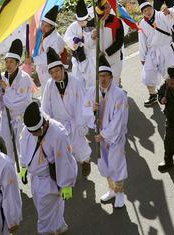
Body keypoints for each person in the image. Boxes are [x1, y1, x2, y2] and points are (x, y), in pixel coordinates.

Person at [19, 101, 79, 231]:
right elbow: (23, 144)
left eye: (35, 132)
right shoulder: (29, 129)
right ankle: (59, 227)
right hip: (35, 178)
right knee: (46, 209)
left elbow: (65, 160)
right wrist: (23, 166)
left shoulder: (58, 134)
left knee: (44, 217)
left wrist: (66, 184)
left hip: (49, 181)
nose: (32, 135)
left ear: (44, 125)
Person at [40, 48, 93, 176]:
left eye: (57, 70)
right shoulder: (49, 85)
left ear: (63, 69)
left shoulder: (75, 82)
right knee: (62, 151)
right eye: (52, 72)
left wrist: (82, 124)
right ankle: (67, 174)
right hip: (58, 124)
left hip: (74, 121)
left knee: (79, 146)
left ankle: (85, 161)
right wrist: (47, 124)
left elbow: (82, 104)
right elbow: (45, 107)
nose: (55, 75)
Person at [87, 54, 129, 209]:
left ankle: (120, 193)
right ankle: (112, 190)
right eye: (100, 76)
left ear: (111, 77)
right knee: (104, 164)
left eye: (105, 75)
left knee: (116, 164)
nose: (103, 79)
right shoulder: (92, 92)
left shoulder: (119, 94)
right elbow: (83, 111)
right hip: (100, 137)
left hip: (114, 137)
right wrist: (92, 111)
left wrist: (104, 134)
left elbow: (119, 119)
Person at [0, 39, 35, 159]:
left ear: (17, 63)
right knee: (6, 148)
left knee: (23, 147)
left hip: (21, 118)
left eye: (11, 62)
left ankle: (25, 168)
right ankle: (9, 169)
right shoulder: (1, 78)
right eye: (6, 61)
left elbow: (22, 102)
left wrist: (7, 90)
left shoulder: (25, 78)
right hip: (6, 117)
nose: (8, 65)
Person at [136, 0, 174, 107]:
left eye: (149, 9)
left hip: (166, 49)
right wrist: (142, 57)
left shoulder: (162, 15)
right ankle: (152, 95)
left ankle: (171, 95)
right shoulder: (142, 24)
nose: (148, 12)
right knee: (148, 74)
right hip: (153, 51)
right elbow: (142, 41)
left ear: (152, 7)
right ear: (142, 13)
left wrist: (170, 11)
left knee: (169, 74)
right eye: (144, 11)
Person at [63, 0, 95, 90]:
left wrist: (90, 37)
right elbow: (67, 38)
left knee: (91, 80)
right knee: (78, 81)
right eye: (79, 21)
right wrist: (74, 41)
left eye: (84, 21)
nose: (82, 23)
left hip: (90, 57)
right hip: (78, 58)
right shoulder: (73, 26)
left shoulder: (91, 23)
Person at [33, 6, 67, 89]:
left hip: (52, 72)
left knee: (54, 91)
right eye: (42, 24)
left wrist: (34, 60)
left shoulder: (56, 39)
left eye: (46, 26)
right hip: (42, 71)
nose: (43, 27)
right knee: (45, 91)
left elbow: (48, 57)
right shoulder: (43, 34)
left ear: (52, 27)